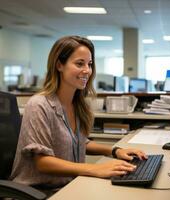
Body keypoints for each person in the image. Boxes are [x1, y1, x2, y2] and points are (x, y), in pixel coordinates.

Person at [11, 36, 147, 195]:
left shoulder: (77, 104)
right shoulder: (39, 105)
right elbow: (43, 162)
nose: (87, 70)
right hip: (38, 192)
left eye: (89, 64)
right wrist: (96, 169)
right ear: (59, 65)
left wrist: (115, 151)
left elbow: (80, 142)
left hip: (69, 186)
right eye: (79, 63)